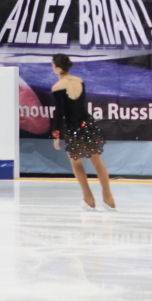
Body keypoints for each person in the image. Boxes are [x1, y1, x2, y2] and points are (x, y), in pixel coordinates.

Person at [50, 53, 116, 211]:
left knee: (77, 164)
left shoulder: (58, 87)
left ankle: (88, 198)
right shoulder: (80, 81)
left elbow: (59, 113)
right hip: (88, 125)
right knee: (97, 162)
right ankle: (109, 198)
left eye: (52, 65)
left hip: (74, 128)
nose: (52, 67)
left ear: (58, 68)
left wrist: (56, 134)